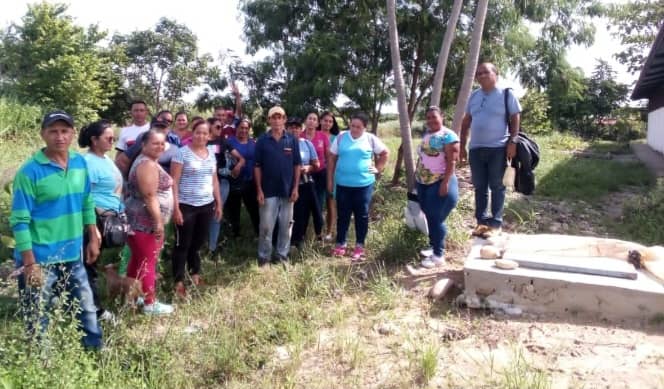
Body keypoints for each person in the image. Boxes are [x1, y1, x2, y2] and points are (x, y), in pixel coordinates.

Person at [10, 110, 103, 349]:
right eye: (53, 131)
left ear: (72, 133)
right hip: (40, 259)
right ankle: (42, 366)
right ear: (43, 134)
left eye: (64, 131)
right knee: (38, 316)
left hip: (73, 255)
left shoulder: (80, 163)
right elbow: (19, 221)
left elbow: (87, 201)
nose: (59, 137)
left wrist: (93, 234)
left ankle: (96, 354)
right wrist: (29, 264)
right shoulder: (30, 172)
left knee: (87, 310)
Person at [460, 62, 521, 236]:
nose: (481, 75)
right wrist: (463, 145)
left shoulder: (506, 94)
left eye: (485, 72)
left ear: (496, 74)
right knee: (479, 187)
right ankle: (481, 222)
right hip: (476, 149)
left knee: (497, 186)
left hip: (498, 148)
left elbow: (515, 117)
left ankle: (495, 223)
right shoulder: (474, 96)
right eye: (478, 73)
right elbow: (466, 122)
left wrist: (513, 141)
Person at [124, 129, 175, 315]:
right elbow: (149, 195)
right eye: (155, 143)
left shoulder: (147, 162)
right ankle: (149, 303)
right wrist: (158, 222)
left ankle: (133, 296)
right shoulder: (146, 164)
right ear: (143, 145)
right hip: (145, 223)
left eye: (162, 143)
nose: (160, 147)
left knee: (138, 260)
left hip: (138, 222)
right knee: (148, 262)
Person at [78, 120, 124, 322]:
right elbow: (85, 195)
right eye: (108, 137)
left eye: (114, 136)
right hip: (94, 221)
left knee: (94, 263)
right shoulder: (87, 162)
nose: (112, 140)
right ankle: (95, 310)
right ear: (94, 140)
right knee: (88, 264)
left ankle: (91, 306)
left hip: (107, 219)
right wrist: (99, 216)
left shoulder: (105, 158)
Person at [171, 119, 223, 297]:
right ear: (192, 134)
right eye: (197, 132)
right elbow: (174, 183)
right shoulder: (181, 154)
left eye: (204, 133)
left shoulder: (211, 153)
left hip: (206, 205)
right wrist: (175, 208)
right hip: (186, 206)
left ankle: (195, 274)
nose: (201, 136)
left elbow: (214, 180)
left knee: (198, 243)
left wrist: (218, 203)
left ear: (209, 136)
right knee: (182, 244)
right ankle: (178, 281)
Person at [327, 112, 389, 261]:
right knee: (343, 215)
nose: (354, 129)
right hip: (342, 184)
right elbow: (332, 158)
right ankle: (341, 244)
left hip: (363, 185)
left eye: (358, 127)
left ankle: (359, 246)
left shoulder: (370, 138)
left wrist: (378, 168)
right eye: (352, 125)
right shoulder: (341, 137)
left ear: (364, 128)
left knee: (362, 215)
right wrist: (330, 180)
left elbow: (385, 153)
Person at [254, 106, 301, 266]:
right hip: (268, 191)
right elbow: (257, 166)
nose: (276, 120)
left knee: (286, 226)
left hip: (288, 191)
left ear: (284, 119)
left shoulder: (292, 140)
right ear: (269, 120)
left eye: (279, 117)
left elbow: (297, 165)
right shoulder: (261, 141)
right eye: (273, 117)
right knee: (266, 226)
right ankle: (264, 257)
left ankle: (282, 255)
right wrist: (259, 189)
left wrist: (296, 188)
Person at [415, 107, 460, 268]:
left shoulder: (449, 136)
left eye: (434, 117)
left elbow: (452, 161)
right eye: (428, 118)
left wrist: (445, 182)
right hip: (423, 183)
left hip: (439, 182)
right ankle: (434, 247)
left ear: (442, 117)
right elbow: (422, 158)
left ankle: (438, 256)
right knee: (430, 217)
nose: (431, 120)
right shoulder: (427, 134)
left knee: (436, 218)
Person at [206, 117, 244, 252]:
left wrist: (237, 167)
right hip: (203, 183)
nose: (220, 129)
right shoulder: (201, 141)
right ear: (208, 126)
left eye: (221, 127)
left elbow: (241, 159)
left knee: (216, 213)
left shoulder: (223, 141)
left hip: (221, 182)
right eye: (217, 127)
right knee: (202, 214)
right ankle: (199, 245)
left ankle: (212, 247)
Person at [288, 117, 323, 248]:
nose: (294, 129)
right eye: (291, 126)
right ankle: (291, 240)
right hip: (289, 184)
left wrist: (308, 168)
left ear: (301, 129)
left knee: (308, 212)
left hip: (306, 182)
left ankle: (301, 239)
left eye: (297, 127)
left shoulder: (307, 144)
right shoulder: (282, 144)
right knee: (293, 213)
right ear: (286, 128)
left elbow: (317, 164)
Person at [225, 119, 260, 237]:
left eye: (246, 128)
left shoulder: (253, 143)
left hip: (250, 181)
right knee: (234, 210)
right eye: (241, 127)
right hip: (233, 181)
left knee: (254, 209)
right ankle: (235, 235)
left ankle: (258, 233)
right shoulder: (229, 142)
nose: (244, 130)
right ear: (236, 128)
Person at [301, 112, 330, 217]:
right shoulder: (299, 136)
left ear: (317, 123)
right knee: (303, 202)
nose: (311, 121)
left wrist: (329, 175)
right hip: (303, 174)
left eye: (314, 119)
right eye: (309, 118)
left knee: (319, 201)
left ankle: (318, 229)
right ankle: (303, 228)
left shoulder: (322, 136)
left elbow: (328, 157)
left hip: (320, 174)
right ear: (305, 121)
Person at [319, 111, 340, 241]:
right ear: (320, 121)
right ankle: (317, 231)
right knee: (318, 203)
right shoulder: (315, 135)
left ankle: (329, 232)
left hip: (332, 174)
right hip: (317, 174)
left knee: (331, 203)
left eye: (330, 121)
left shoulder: (337, 138)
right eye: (325, 120)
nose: (327, 123)